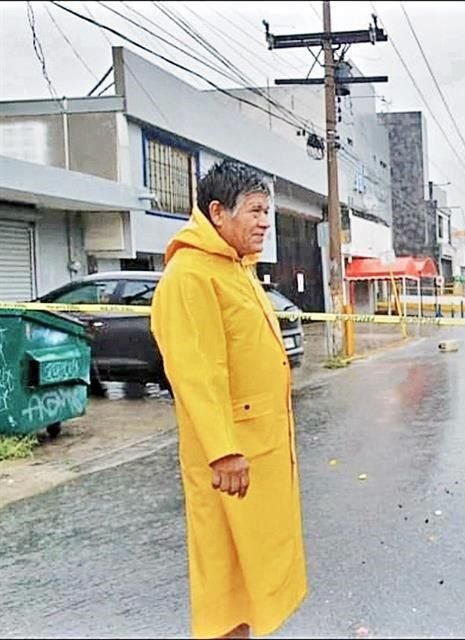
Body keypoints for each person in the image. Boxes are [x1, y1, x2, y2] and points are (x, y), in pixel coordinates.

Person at [151, 160, 307, 639]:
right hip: (228, 462)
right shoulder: (190, 276)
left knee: (246, 578)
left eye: (268, 212)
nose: (265, 222)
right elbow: (196, 373)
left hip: (256, 453)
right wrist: (223, 450)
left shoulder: (235, 269)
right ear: (218, 212)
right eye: (256, 211)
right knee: (223, 582)